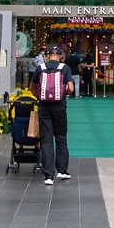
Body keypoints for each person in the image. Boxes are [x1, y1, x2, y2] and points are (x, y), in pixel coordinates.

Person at [34, 46, 75, 185]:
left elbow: (31, 86)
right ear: (60, 55)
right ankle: (62, 171)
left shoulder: (41, 67)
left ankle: (48, 176)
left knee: (46, 139)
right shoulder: (65, 68)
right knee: (61, 137)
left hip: (44, 106)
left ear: (48, 55)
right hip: (59, 107)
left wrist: (39, 97)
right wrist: (63, 94)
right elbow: (71, 88)